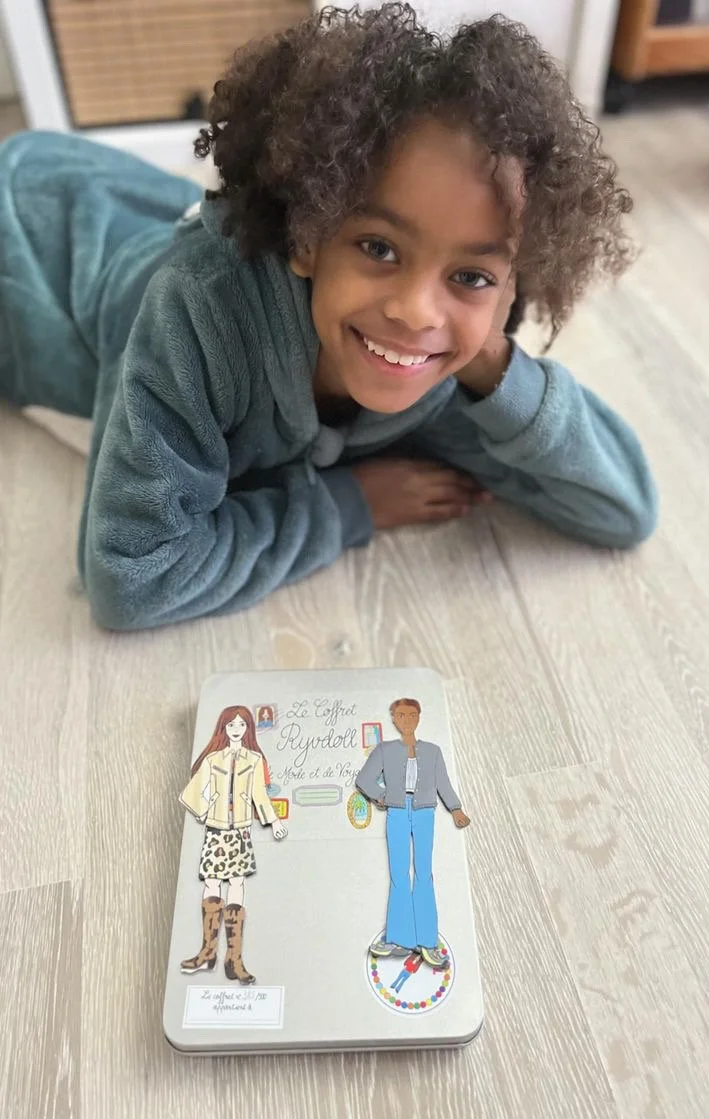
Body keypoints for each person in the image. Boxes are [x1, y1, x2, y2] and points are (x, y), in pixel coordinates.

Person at [0, 4, 657, 632]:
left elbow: (621, 507)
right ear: (308, 235)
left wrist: (492, 364)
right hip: (26, 241)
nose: (415, 310)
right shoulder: (197, 314)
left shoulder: (441, 368)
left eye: (471, 276)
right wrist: (350, 506)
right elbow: (130, 576)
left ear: (510, 290)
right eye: (379, 247)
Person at [355, 698, 470, 967]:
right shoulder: (384, 749)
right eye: (401, 715)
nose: (407, 720)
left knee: (423, 873)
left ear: (419, 717)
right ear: (394, 719)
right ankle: (398, 938)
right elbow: (363, 780)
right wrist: (380, 796)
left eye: (412, 715)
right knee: (398, 873)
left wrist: (455, 809)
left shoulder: (432, 751)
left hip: (424, 813)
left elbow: (443, 782)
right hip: (396, 811)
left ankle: (427, 941)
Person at [179, 705, 287, 984]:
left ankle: (234, 959)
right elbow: (193, 791)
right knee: (212, 882)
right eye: (231, 725)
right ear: (223, 728)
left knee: (237, 883)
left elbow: (259, 795)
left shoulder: (253, 760)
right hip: (216, 828)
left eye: (241, 725)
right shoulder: (213, 759)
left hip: (240, 830)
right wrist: (204, 810)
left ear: (248, 729)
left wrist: (272, 820)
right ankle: (207, 952)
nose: (236, 729)